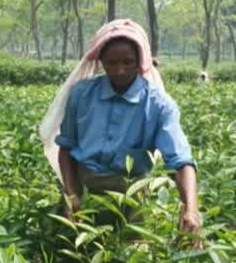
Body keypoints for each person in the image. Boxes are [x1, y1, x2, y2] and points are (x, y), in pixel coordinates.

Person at [40, 19, 202, 242]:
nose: (120, 70)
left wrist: (191, 210)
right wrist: (72, 194)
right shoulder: (81, 95)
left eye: (128, 62)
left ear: (141, 61)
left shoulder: (158, 105)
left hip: (130, 197)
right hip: (83, 189)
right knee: (73, 258)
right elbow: (66, 148)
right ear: (101, 62)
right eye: (112, 62)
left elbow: (181, 161)